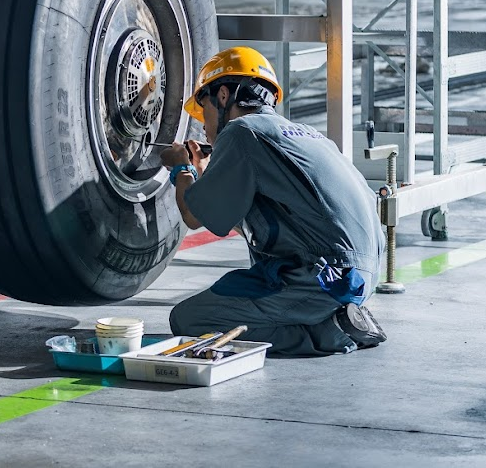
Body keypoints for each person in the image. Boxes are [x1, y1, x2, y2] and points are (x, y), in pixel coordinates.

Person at [162, 47, 386, 356]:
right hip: (360, 274)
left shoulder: (242, 131)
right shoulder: (308, 135)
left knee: (190, 318)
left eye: (205, 111)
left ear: (224, 96)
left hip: (322, 278)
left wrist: (181, 168)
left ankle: (329, 331)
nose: (204, 126)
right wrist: (203, 174)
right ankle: (337, 314)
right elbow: (250, 216)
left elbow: (194, 216)